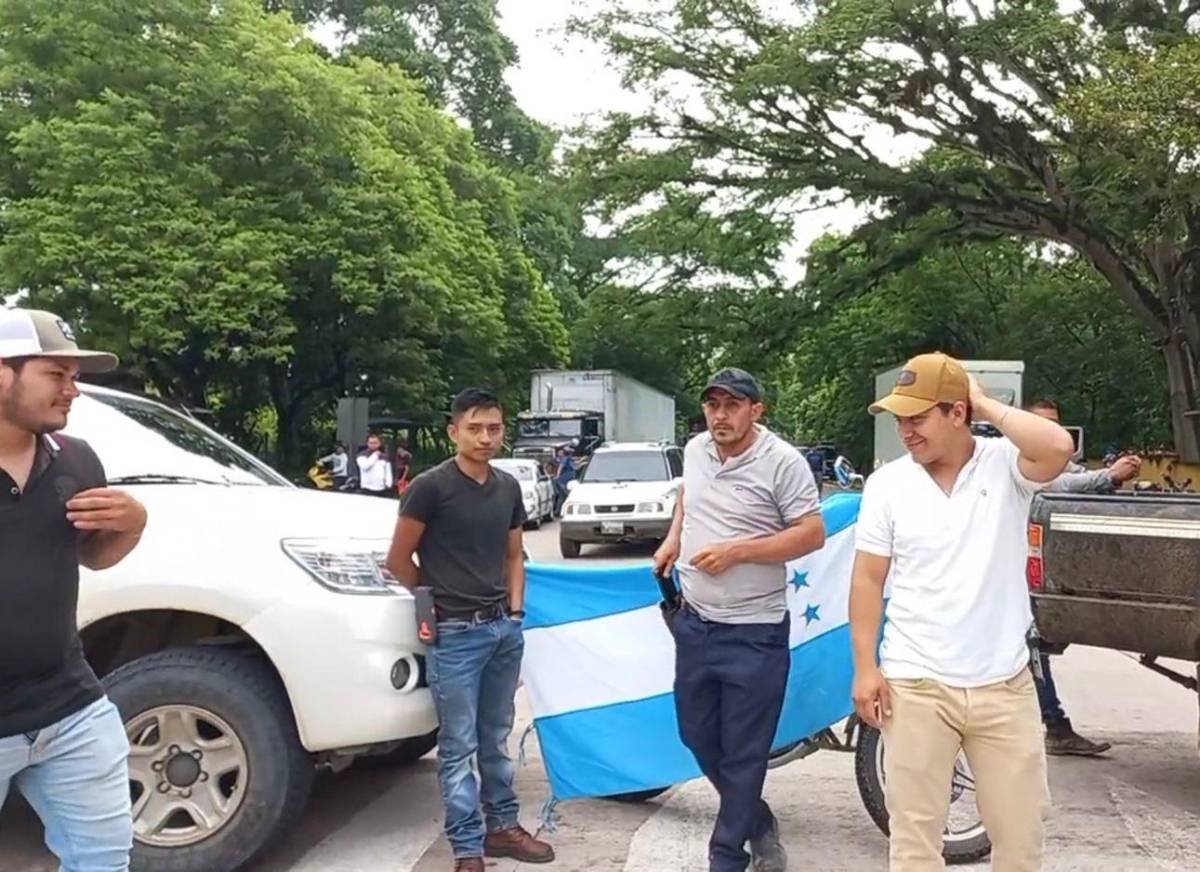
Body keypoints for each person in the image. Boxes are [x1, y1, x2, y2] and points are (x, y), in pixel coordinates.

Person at [850, 353, 1075, 871]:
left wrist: (984, 403)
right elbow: (867, 579)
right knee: (913, 843)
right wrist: (866, 668)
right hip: (916, 684)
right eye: (900, 420)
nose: (905, 431)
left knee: (1020, 840)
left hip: (1003, 684)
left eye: (917, 417)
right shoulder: (888, 484)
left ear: (957, 413)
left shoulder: (1006, 465)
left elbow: (1059, 447)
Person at [653, 367, 827, 872]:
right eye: (712, 405)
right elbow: (690, 497)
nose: (720, 415)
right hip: (695, 621)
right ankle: (755, 817)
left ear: (757, 409)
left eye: (732, 405)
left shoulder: (782, 463)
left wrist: (740, 553)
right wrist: (673, 537)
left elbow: (811, 533)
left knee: (745, 751)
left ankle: (726, 855)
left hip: (754, 631)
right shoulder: (695, 450)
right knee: (697, 735)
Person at [0, 308, 149, 872]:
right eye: (56, 374)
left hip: (69, 708)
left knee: (103, 862)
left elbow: (93, 555)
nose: (73, 390)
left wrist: (131, 526)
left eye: (75, 376)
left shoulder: (76, 459)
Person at [386, 388, 554, 872]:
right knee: (458, 745)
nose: (485, 437)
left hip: (503, 628)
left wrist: (516, 613)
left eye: (495, 428)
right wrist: (436, 598)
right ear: (453, 431)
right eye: (475, 428)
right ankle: (467, 849)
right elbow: (398, 561)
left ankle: (503, 827)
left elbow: (513, 554)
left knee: (496, 737)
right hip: (455, 634)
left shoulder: (507, 488)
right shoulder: (430, 487)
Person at [1026, 399, 1142, 756]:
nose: (1052, 432)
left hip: (1032, 578)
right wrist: (1108, 476)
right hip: (1006, 580)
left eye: (1056, 425)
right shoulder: (1017, 463)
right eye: (1042, 424)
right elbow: (1059, 485)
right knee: (1030, 649)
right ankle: (1053, 725)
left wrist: (1114, 474)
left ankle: (1050, 724)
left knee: (1032, 651)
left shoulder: (1056, 460)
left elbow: (1073, 477)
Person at [552, 447, 576, 516]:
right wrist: (558, 475)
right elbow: (561, 467)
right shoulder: (565, 459)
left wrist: (582, 461)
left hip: (567, 481)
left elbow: (574, 464)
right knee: (565, 495)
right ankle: (559, 511)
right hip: (563, 481)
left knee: (562, 496)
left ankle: (558, 511)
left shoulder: (569, 459)